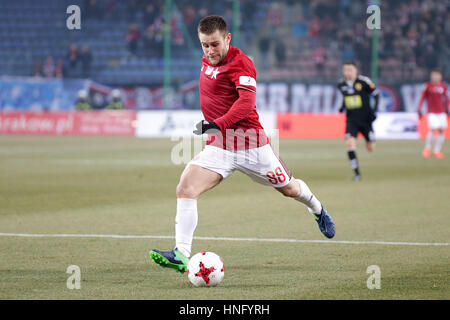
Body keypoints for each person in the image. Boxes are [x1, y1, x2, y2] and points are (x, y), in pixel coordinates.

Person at [149, 15, 335, 273]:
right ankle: (181, 253)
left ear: (228, 38)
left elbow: (245, 103)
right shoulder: (207, 59)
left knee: (290, 189)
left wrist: (218, 124)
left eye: (215, 44)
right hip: (219, 146)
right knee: (186, 188)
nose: (210, 51)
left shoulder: (242, 63)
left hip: (251, 146)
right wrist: (217, 129)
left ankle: (317, 208)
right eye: (205, 45)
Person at [337, 61, 379, 181]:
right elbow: (347, 97)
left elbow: (376, 94)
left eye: (350, 70)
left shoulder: (364, 82)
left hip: (365, 119)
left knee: (370, 147)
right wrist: (342, 107)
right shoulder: (341, 84)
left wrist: (374, 111)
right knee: (349, 143)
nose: (348, 73)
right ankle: (357, 173)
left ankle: (370, 137)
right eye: (345, 70)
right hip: (351, 119)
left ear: (356, 70)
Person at [418, 69, 449, 159]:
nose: (435, 77)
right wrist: (419, 109)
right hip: (431, 112)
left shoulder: (443, 87)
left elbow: (447, 99)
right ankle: (427, 149)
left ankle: (436, 151)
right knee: (432, 129)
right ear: (431, 76)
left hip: (441, 112)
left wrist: (447, 109)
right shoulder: (427, 86)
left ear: (440, 77)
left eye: (437, 75)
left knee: (442, 130)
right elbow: (422, 98)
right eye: (434, 75)